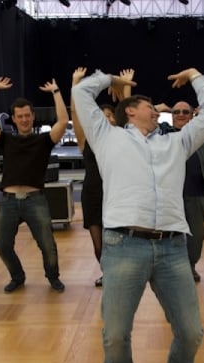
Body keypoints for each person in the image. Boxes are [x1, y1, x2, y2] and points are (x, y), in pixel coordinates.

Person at [71, 67, 204, 363]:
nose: (157, 110)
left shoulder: (177, 141)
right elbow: (81, 95)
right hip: (124, 246)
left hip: (172, 248)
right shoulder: (107, 137)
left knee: (191, 330)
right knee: (116, 333)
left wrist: (198, 77)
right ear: (130, 111)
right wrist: (112, 80)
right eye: (149, 106)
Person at [0, 76, 68, 292]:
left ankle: (52, 276)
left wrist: (56, 92)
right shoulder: (5, 140)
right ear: (14, 119)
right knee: (2, 245)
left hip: (35, 200)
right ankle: (17, 276)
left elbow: (63, 121)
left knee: (47, 245)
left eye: (27, 115)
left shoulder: (44, 141)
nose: (24, 119)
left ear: (33, 117)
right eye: (20, 116)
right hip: (8, 201)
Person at [71, 67, 133, 287]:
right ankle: (108, 273)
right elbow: (76, 113)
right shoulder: (86, 139)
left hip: (117, 196)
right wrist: (75, 82)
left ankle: (120, 275)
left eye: (110, 116)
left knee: (119, 241)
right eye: (102, 116)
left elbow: (130, 112)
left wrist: (125, 86)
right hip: (93, 195)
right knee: (99, 245)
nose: (106, 119)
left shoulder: (123, 137)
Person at [156, 100, 204, 282]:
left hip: (196, 191)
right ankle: (170, 268)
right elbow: (141, 122)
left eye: (185, 112)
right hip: (170, 194)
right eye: (176, 112)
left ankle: (190, 266)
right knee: (169, 233)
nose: (180, 114)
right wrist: (159, 108)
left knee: (197, 234)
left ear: (192, 115)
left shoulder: (202, 134)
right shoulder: (164, 133)